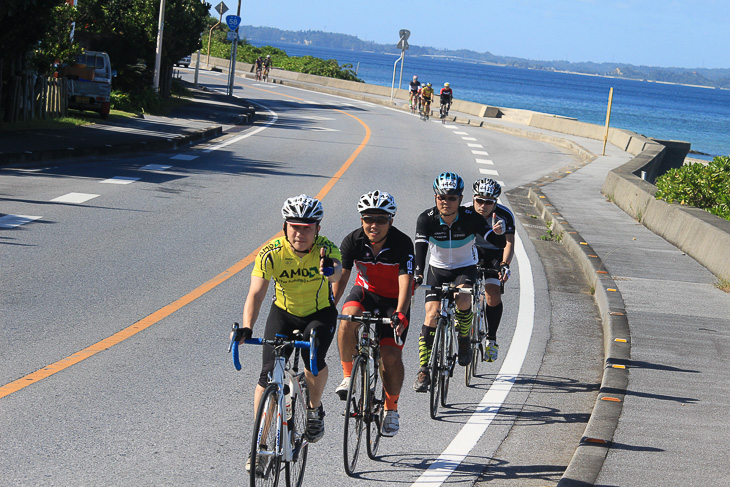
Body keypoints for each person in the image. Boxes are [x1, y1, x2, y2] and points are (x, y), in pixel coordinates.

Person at [234, 194, 342, 472]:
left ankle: (313, 409)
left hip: (319, 314)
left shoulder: (326, 249)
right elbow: (256, 295)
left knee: (314, 360)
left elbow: (337, 273)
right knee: (268, 373)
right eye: (295, 226)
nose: (300, 233)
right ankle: (258, 446)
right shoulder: (271, 252)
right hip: (283, 313)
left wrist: (330, 270)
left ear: (317, 229)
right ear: (285, 227)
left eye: (307, 227)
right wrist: (247, 327)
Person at [412, 172, 505, 392]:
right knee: (431, 315)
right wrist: (417, 273)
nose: (446, 202)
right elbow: (420, 250)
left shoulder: (470, 217)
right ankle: (424, 369)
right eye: (441, 197)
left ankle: (464, 338)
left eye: (452, 198)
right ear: (435, 197)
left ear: (460, 198)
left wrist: (499, 233)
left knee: (463, 299)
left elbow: (496, 241)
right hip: (438, 270)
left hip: (465, 268)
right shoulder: (426, 219)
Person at [333, 191, 414, 437]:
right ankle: (348, 376)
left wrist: (400, 313)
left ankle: (391, 409)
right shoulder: (352, 241)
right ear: (361, 220)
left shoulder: (402, 243)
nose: (374, 225)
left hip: (394, 300)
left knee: (390, 356)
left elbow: (405, 280)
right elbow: (343, 277)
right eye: (369, 219)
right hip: (366, 293)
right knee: (347, 321)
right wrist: (329, 307)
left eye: (381, 220)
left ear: (391, 221)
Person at [467, 178, 515, 361]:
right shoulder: (465, 210)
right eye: (479, 200)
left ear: (495, 202)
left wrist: (505, 264)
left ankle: (491, 339)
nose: (483, 206)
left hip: (494, 254)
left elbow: (509, 243)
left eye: (489, 202)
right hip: (470, 250)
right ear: (473, 199)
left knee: (492, 294)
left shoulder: (504, 215)